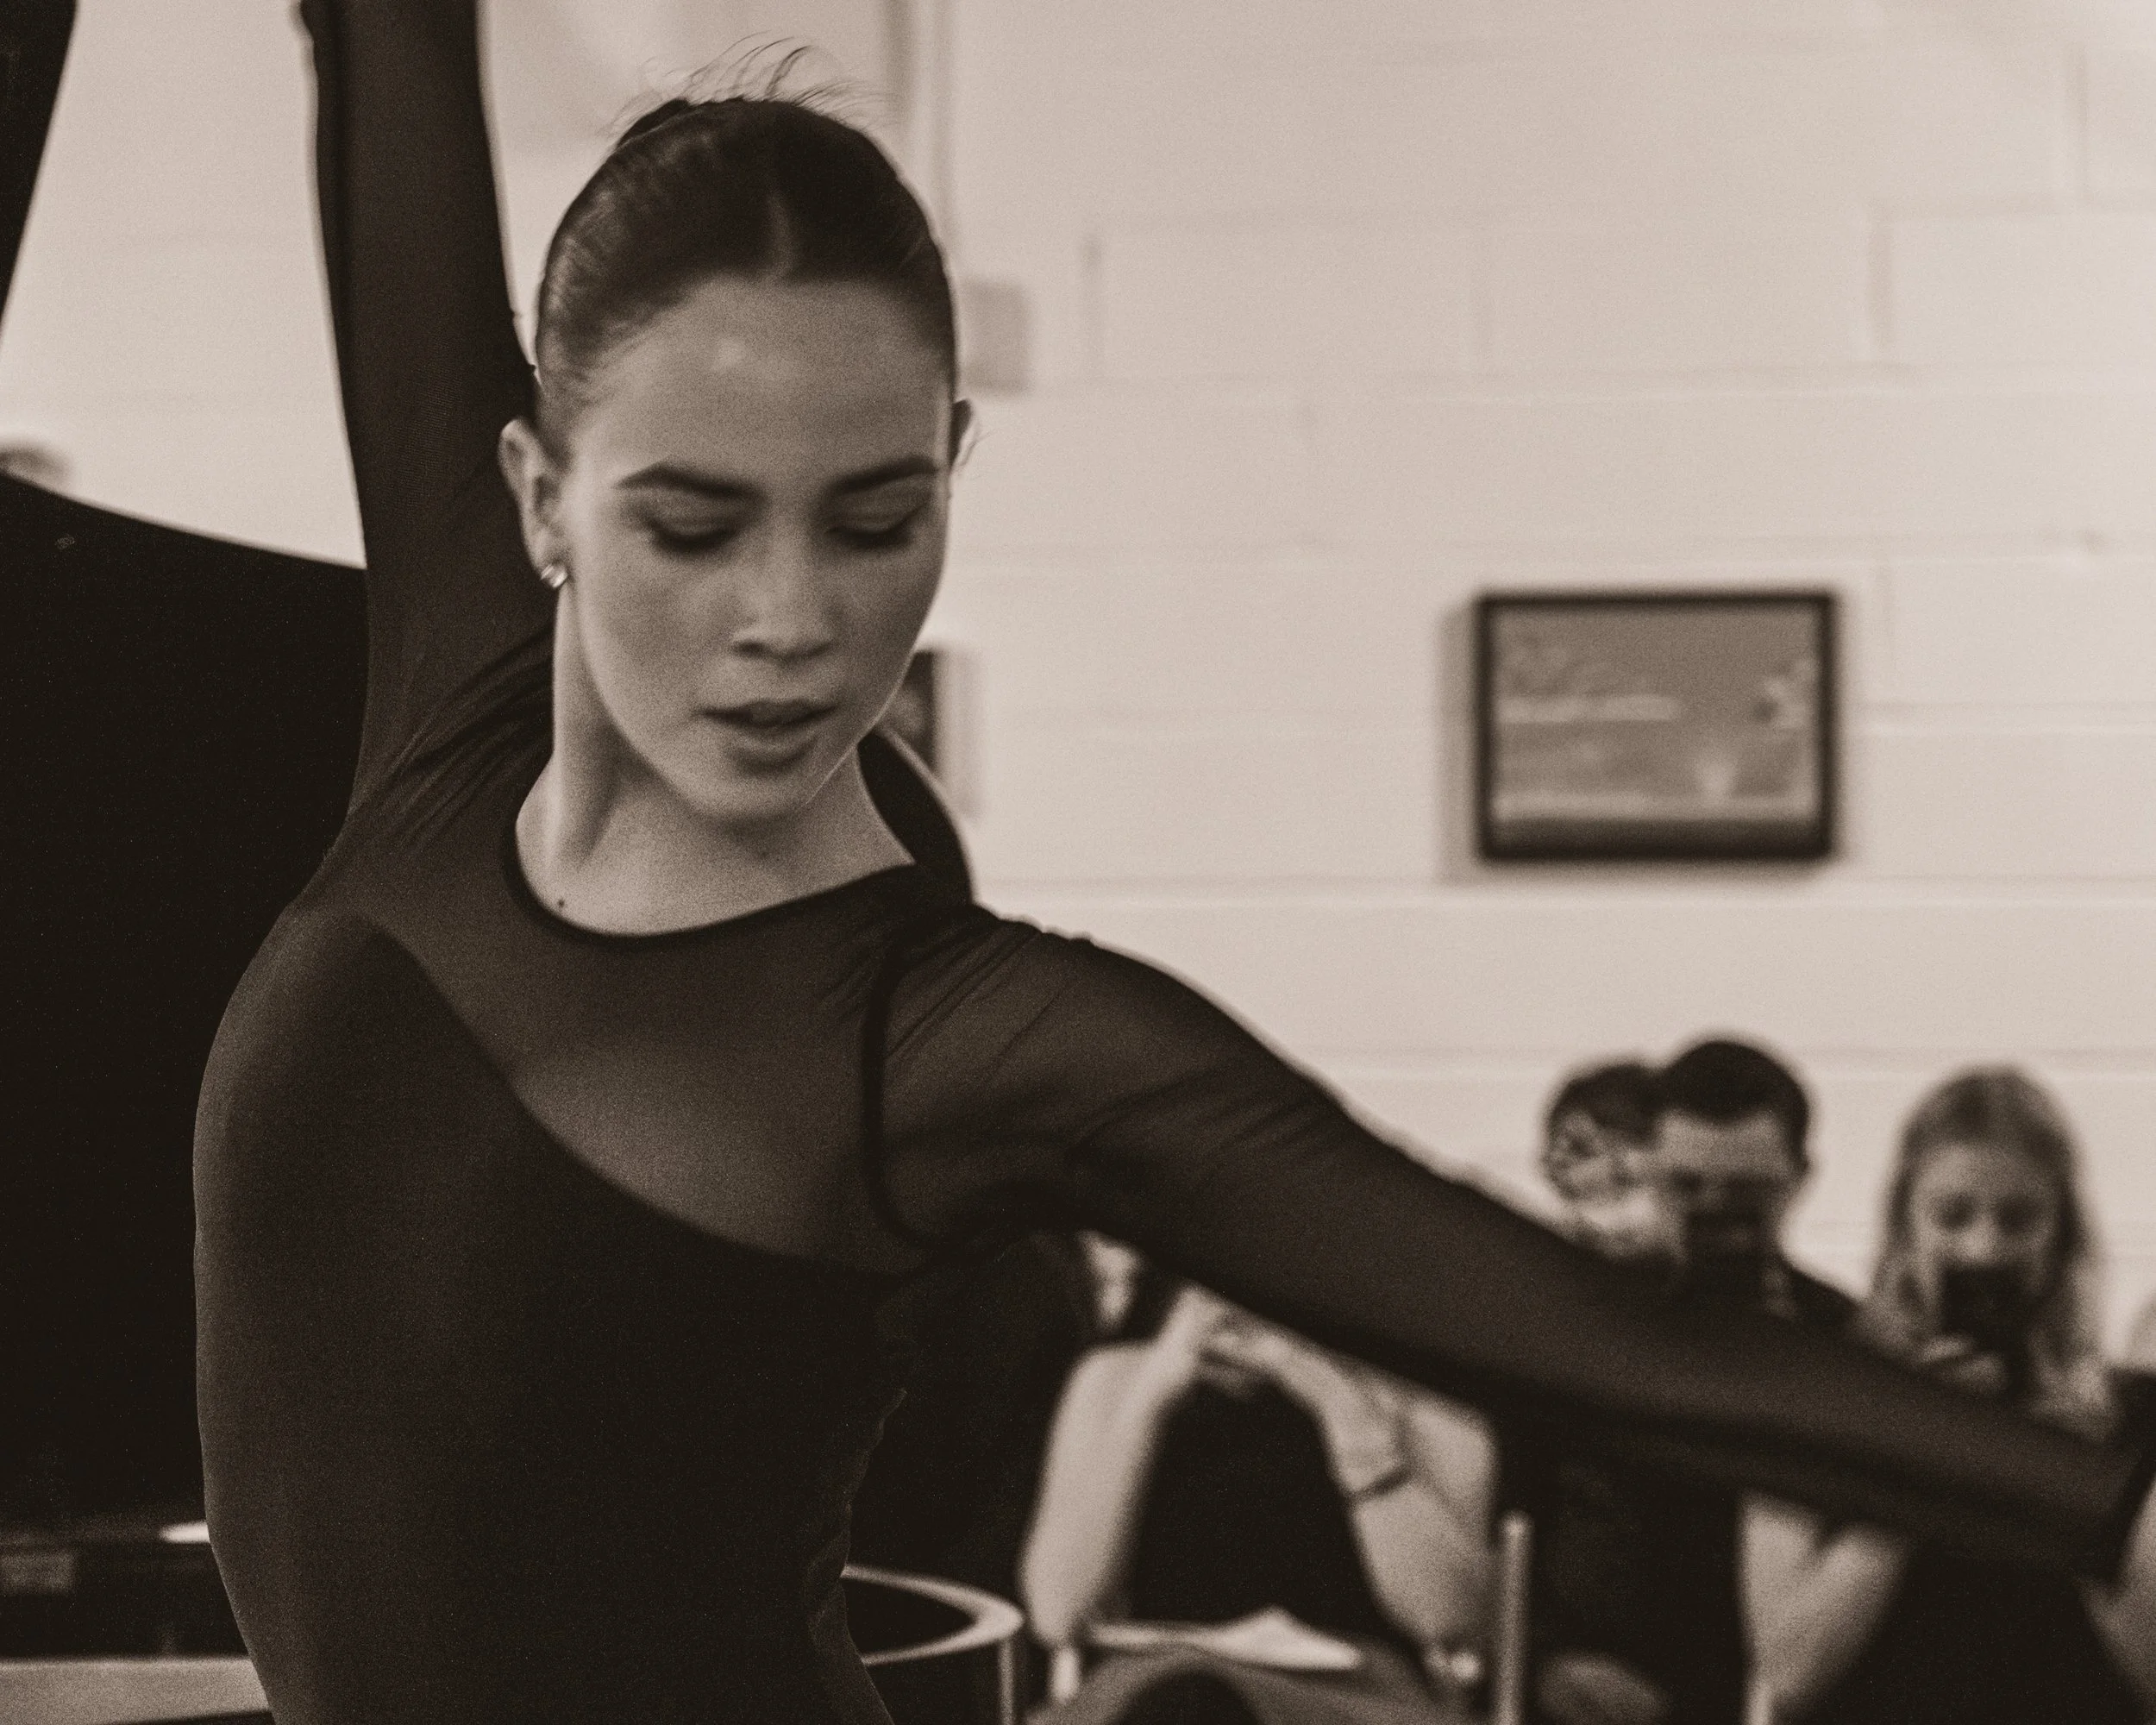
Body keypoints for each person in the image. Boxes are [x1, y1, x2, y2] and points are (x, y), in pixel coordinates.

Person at [190, 5, 2156, 1722]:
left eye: (872, 518)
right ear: (538, 491)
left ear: (953, 462)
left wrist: (2102, 1493)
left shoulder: (941, 1035)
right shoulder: (457, 683)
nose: (789, 618)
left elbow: (1602, 1333)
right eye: (692, 523)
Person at [1745, 1069, 2154, 1723]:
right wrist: (1929, 1459)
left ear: (2062, 1233)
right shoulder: (1815, 1403)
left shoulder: (2129, 1424)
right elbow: (1791, 1674)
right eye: (1953, 1215)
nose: (1983, 1248)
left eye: (2019, 1219)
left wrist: (2073, 1486)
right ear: (1906, 1224)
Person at [1508, 1044, 1852, 1725]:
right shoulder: (1572, 1331)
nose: (1714, 1216)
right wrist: (1542, 1662)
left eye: (1746, 1195)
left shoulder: (1849, 1348)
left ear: (1799, 1180)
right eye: (1687, 1188)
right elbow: (1505, 1508)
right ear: (1652, 1174)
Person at [1021, 1269, 1488, 1722]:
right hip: (1160, 1679)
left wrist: (1343, 1408)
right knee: (1187, 1696)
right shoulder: (1118, 1377)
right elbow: (1057, 1611)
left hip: (1354, 1693)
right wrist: (1151, 1392)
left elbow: (1446, 1619)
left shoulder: (1424, 1405)